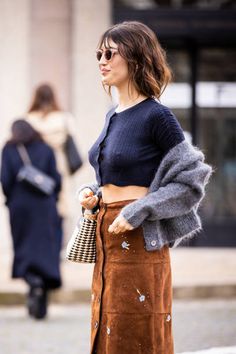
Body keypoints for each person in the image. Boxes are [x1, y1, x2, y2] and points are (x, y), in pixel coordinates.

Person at [77, 21, 212, 354]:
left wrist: (141, 209)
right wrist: (93, 192)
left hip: (138, 240)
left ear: (135, 58)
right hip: (106, 233)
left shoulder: (157, 116)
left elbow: (191, 179)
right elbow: (114, 171)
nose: (101, 61)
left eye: (110, 53)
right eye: (98, 53)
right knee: (107, 327)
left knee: (134, 330)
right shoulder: (113, 116)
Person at [1, 119, 62, 319]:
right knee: (45, 249)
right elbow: (56, 179)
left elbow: (5, 179)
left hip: (20, 207)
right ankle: (41, 296)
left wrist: (11, 199)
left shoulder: (9, 149)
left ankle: (32, 280)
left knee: (23, 247)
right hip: (45, 207)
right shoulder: (46, 148)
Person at [26, 83, 80, 229]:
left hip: (35, 167)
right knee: (60, 204)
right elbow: (72, 137)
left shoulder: (29, 120)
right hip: (59, 164)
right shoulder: (64, 119)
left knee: (36, 201)